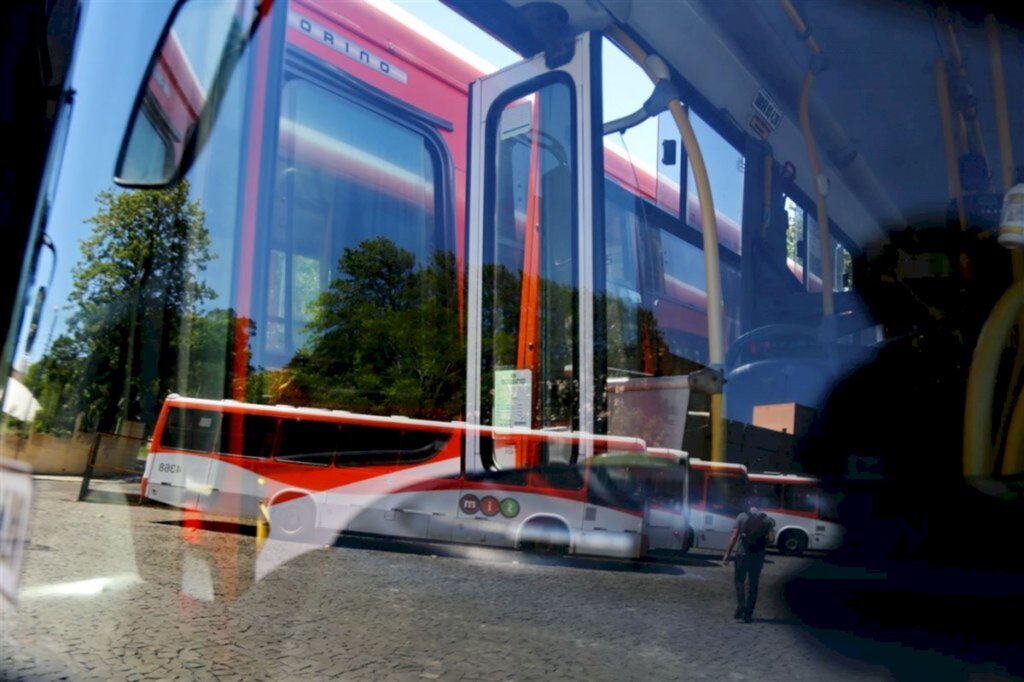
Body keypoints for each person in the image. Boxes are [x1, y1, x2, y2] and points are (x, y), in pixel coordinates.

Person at [721, 499, 775, 623]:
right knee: (753, 584)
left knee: (739, 580)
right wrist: (761, 543)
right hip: (757, 556)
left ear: (749, 505)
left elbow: (734, 536)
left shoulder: (741, 516)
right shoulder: (767, 520)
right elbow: (772, 539)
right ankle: (748, 614)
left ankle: (741, 604)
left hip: (742, 554)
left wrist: (727, 554)